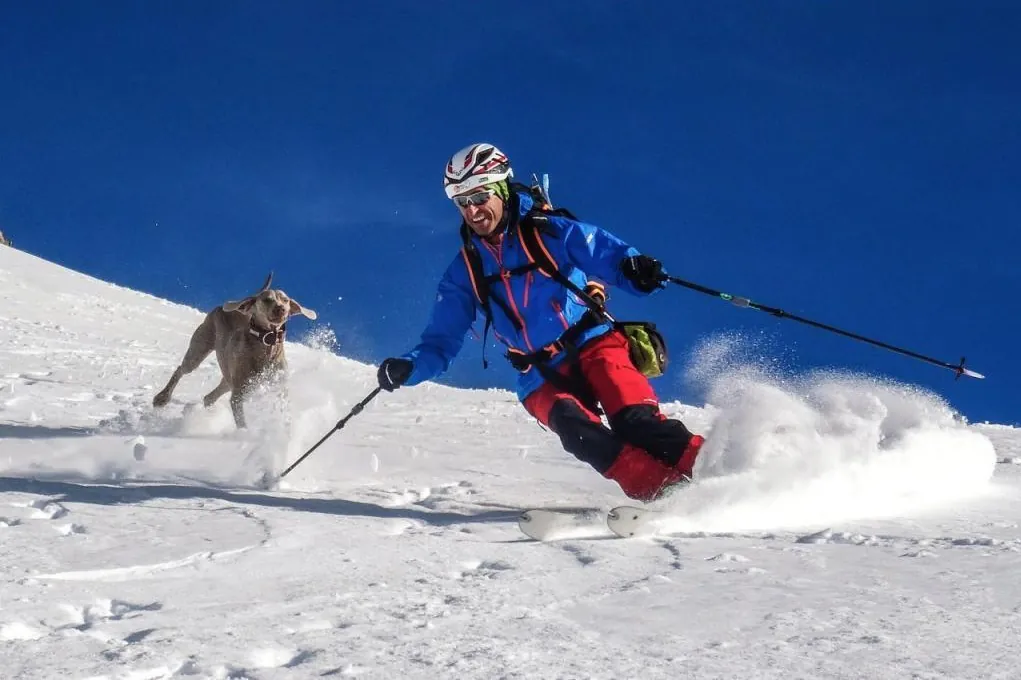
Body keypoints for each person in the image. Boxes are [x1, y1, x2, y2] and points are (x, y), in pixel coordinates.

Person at [376, 143, 705, 501]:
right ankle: (664, 495)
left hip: (593, 343)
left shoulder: (548, 232)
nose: (472, 210)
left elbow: (602, 252)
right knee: (578, 431)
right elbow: (441, 339)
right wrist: (410, 366)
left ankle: (719, 470)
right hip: (539, 373)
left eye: (480, 196)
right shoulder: (465, 270)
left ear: (501, 188)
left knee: (635, 422)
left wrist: (634, 268)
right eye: (462, 201)